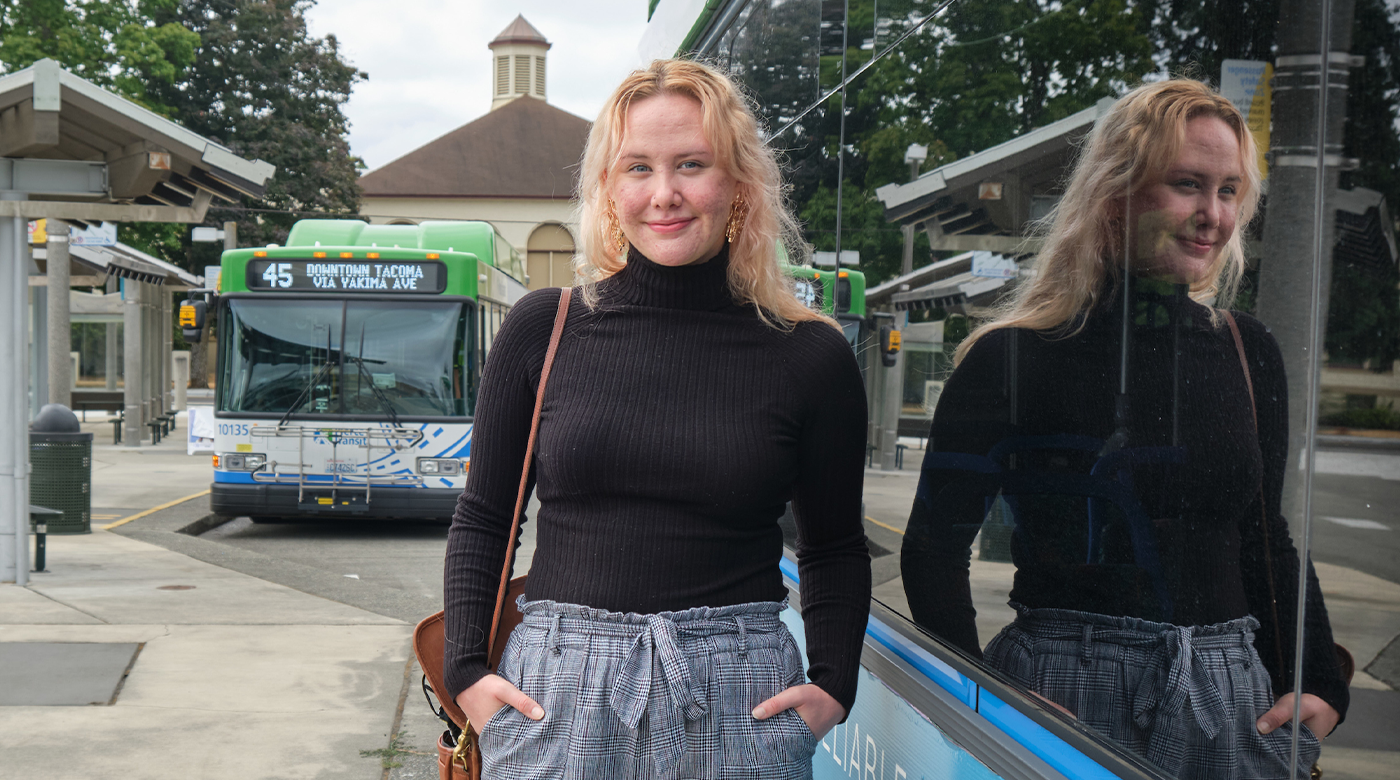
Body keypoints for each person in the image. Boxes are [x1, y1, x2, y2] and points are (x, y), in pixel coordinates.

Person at [900, 79, 1349, 779]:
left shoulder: (1247, 348)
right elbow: (933, 551)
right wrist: (984, 698)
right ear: (1116, 194)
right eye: (1187, 185)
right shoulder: (1012, 357)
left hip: (1230, 693)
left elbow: (1268, 536)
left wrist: (1319, 676)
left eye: (1229, 191)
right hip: (1065, 690)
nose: (1212, 215)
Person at [443, 59, 871, 780]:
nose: (664, 194)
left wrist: (832, 687)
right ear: (609, 188)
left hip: (741, 698)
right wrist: (465, 675)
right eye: (637, 167)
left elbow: (833, 547)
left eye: (692, 164)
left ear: (737, 183)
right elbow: (486, 515)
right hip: (556, 696)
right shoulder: (543, 329)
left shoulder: (811, 355)